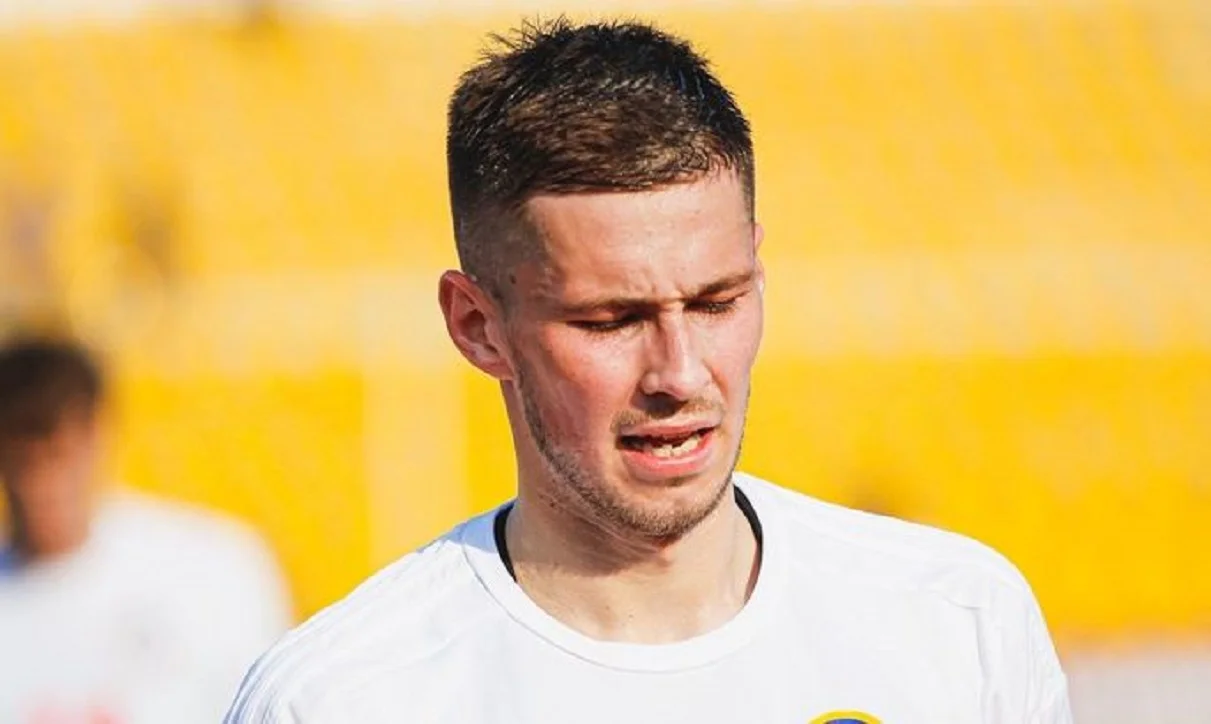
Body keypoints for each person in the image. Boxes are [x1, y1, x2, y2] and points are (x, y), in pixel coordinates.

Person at [226, 18, 1072, 723]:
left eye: (715, 302)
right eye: (612, 320)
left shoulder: (957, 622)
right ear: (478, 327)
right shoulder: (344, 699)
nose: (679, 373)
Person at [0, 335, 293, 724]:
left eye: (58, 455)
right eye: (23, 461)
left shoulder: (215, 566)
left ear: (96, 435)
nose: (40, 486)